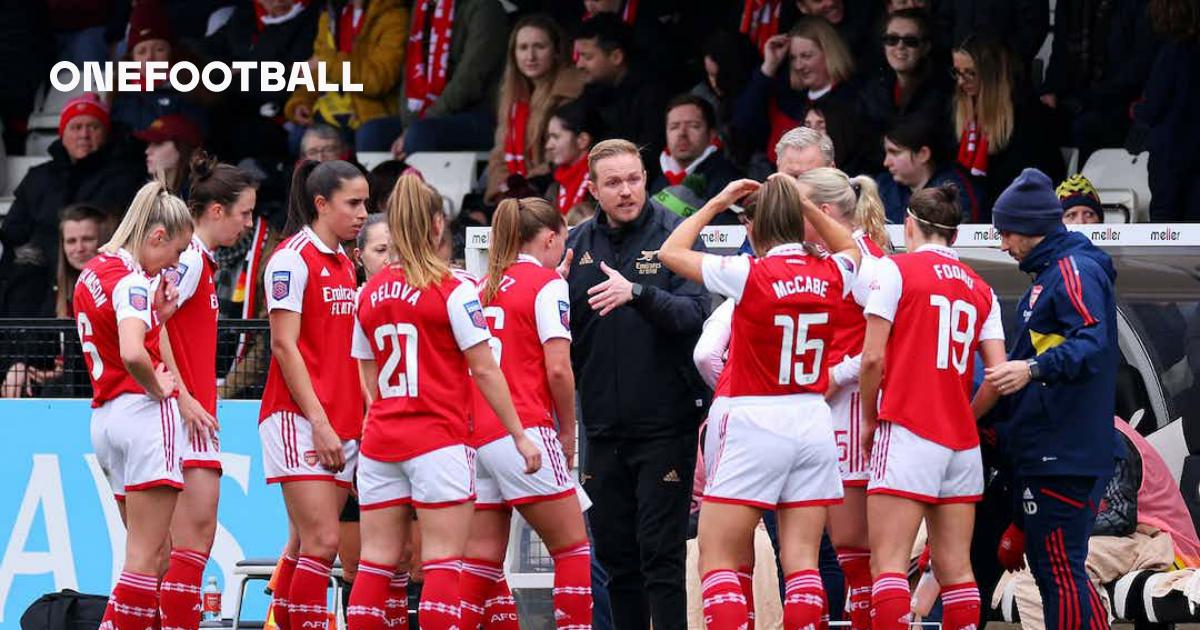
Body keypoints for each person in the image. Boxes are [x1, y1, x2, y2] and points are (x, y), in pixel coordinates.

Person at [659, 173, 862, 630]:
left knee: (718, 558)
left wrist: (716, 201)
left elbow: (670, 253)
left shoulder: (750, 273)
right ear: (800, 221)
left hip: (754, 417)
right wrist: (804, 205)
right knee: (803, 564)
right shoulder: (832, 273)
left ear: (753, 229)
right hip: (812, 419)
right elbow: (849, 246)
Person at [345, 175, 541, 630]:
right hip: (439, 438)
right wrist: (519, 435)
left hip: (381, 440)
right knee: (442, 563)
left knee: (374, 563)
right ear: (438, 226)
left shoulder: (369, 292)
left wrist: (381, 408)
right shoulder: (453, 290)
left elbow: (366, 366)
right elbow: (486, 369)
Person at [563, 139, 710, 630]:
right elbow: (558, 334)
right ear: (593, 189)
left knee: (660, 556)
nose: (626, 191)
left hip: (665, 424)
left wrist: (639, 293)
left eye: (634, 179)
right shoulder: (575, 244)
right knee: (616, 558)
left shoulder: (676, 236)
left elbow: (695, 314)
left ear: (646, 178)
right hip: (601, 427)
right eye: (613, 183)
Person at [859, 183, 1008, 630]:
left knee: (887, 565)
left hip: (907, 427)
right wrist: (967, 414)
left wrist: (869, 418)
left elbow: (871, 358)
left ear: (909, 225)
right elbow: (998, 378)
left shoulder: (895, 271)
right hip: (961, 444)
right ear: (955, 236)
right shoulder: (983, 289)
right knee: (956, 570)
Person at [976, 168, 1119, 630]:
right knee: (1055, 569)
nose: (1002, 245)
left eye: (1006, 233)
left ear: (1032, 228)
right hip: (1048, 452)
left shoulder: (1074, 271)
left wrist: (1032, 370)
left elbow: (1093, 345)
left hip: (1066, 453)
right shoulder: (1049, 276)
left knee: (1060, 570)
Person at [458, 196, 593, 628]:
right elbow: (558, 368)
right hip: (524, 429)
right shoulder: (548, 284)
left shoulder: (481, 286)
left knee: (480, 557)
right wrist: (568, 430)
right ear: (552, 237)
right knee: (572, 547)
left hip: (476, 434)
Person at [75, 180, 193, 630]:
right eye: (176, 253)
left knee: (149, 553)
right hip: (141, 415)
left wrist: (157, 320)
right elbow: (131, 352)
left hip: (105, 418)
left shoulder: (94, 269)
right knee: (147, 557)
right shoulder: (133, 281)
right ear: (157, 237)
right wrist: (158, 388)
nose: (175, 264)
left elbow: (112, 336)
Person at [258, 159, 367, 630]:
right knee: (323, 543)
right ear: (321, 204)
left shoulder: (345, 262)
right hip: (298, 418)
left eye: (366, 202)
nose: (364, 212)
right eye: (354, 203)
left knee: (307, 546)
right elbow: (284, 345)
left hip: (341, 419)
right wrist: (320, 422)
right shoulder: (289, 258)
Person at [155, 153, 257, 629]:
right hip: (184, 420)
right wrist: (184, 396)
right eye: (245, 213)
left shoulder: (198, 261)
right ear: (217, 211)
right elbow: (153, 324)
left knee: (179, 549)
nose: (249, 224)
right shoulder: (190, 260)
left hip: (186, 415)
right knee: (191, 545)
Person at [791, 166, 889, 630]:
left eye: (802, 208)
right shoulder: (831, 259)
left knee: (856, 546)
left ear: (825, 211)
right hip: (828, 410)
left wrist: (835, 374)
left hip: (854, 410)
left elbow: (887, 344)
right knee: (850, 550)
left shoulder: (866, 264)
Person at [0, 94, 143, 321]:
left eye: (92, 127)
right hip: (41, 273)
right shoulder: (38, 177)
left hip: (96, 272)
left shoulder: (124, 178)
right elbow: (14, 232)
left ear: (106, 132)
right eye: (76, 127)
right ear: (62, 134)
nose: (83, 135)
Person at [1, 204, 110, 399]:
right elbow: (37, 341)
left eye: (88, 239)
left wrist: (63, 373)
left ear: (103, 241)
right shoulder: (57, 291)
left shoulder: (114, 287)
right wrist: (20, 364)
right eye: (71, 241)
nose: (79, 248)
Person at [733, 17, 864, 174]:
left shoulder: (852, 97)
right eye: (793, 58)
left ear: (829, 53)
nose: (798, 65)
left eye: (806, 56)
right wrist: (769, 66)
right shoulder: (788, 96)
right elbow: (742, 125)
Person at [951, 35, 1064, 209]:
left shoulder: (1028, 117)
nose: (961, 81)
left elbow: (1037, 179)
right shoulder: (958, 112)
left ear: (992, 75)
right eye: (957, 72)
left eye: (970, 73)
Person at [384, 0, 509, 159]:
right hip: (425, 116)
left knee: (420, 134)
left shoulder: (484, 7)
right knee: (371, 133)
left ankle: (415, 184)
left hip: (477, 114)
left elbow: (470, 80)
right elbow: (409, 73)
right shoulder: (422, 6)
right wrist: (408, 124)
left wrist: (419, 123)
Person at [484, 14, 585, 202]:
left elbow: (558, 157)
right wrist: (503, 191)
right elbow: (499, 155)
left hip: (551, 189)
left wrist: (522, 189)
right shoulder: (510, 94)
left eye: (539, 47)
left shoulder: (569, 90)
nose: (530, 56)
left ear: (556, 51)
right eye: (523, 48)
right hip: (514, 192)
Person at [283, 0, 407, 154]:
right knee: (298, 137)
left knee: (369, 135)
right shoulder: (331, 14)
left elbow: (379, 80)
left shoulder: (393, 16)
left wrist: (329, 63)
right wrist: (303, 101)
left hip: (371, 114)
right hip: (330, 112)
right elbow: (318, 68)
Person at [573, 13, 668, 173]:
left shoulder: (652, 96)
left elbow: (649, 154)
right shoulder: (592, 92)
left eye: (587, 56)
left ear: (616, 57)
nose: (579, 64)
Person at [858, 9, 953, 142]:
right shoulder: (872, 91)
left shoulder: (944, 95)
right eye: (892, 39)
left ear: (925, 47)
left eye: (910, 41)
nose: (900, 46)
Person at [876, 116, 984, 223]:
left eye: (895, 152)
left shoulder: (954, 191)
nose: (886, 162)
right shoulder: (882, 187)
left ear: (923, 154)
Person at [650, 94, 743, 204]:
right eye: (674, 127)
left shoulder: (728, 182)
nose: (682, 133)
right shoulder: (657, 181)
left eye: (693, 126)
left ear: (712, 134)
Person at [543, 100, 603, 217]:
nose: (548, 145)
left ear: (582, 140)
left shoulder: (603, 183)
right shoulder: (554, 188)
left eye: (555, 137)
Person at [137, 114, 204, 196]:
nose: (147, 151)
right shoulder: (144, 194)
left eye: (158, 143)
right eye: (149, 144)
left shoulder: (201, 198)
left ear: (183, 149)